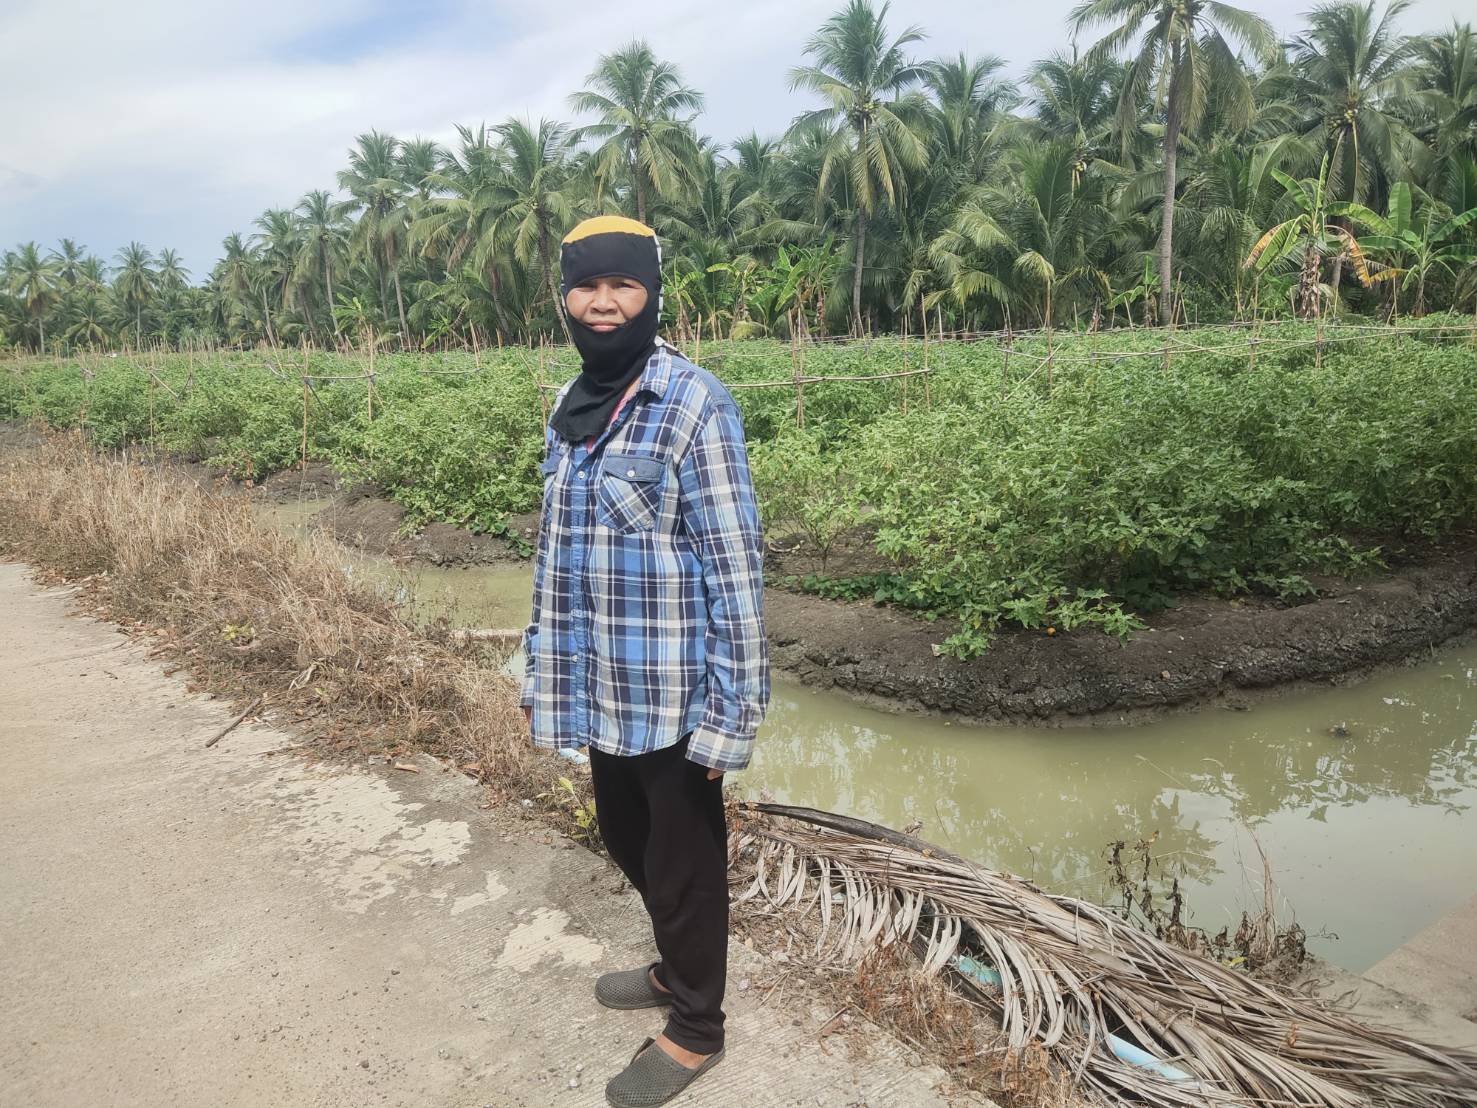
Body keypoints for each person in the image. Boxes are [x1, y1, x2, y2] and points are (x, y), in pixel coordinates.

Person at [520, 215, 769, 1107]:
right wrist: (539, 668)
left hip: (672, 691)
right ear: (564, 298)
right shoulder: (569, 401)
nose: (603, 302)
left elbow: (734, 567)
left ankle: (697, 1028)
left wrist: (732, 713)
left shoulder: (694, 403)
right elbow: (554, 553)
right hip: (597, 682)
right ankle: (674, 967)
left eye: (621, 284)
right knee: (627, 839)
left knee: (683, 863)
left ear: (651, 294)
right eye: (586, 286)